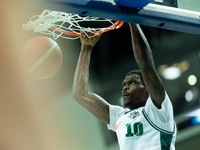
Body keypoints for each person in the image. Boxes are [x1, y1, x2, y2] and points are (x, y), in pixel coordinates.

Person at [72, 23, 176, 150]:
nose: (125, 88)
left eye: (132, 82)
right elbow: (80, 95)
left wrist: (131, 19)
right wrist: (86, 48)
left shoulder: (158, 110)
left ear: (147, 89)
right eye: (124, 85)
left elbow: (145, 64)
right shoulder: (120, 115)